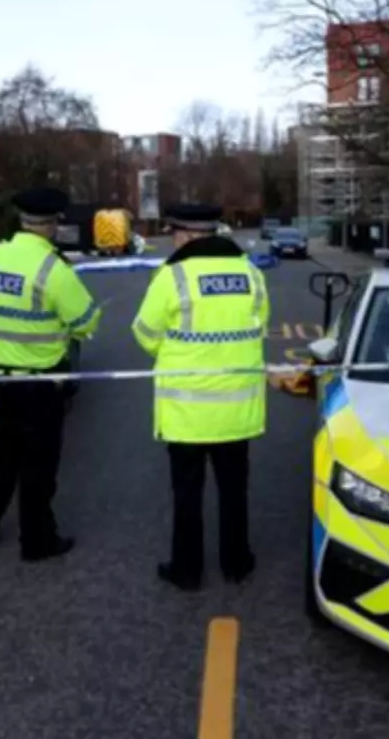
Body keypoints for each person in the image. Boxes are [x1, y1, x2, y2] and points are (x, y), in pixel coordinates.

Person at [131, 203, 270, 591]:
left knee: (187, 495)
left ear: (186, 235)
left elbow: (144, 333)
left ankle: (187, 570)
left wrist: (176, 352)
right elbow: (260, 328)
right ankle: (236, 563)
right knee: (234, 491)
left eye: (175, 233)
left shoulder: (172, 277)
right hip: (237, 410)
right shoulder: (251, 273)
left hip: (187, 412)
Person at [0, 186, 102, 560]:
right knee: (39, 464)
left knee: (4, 451)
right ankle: (37, 541)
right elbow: (86, 321)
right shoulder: (53, 269)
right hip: (40, 381)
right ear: (52, 224)